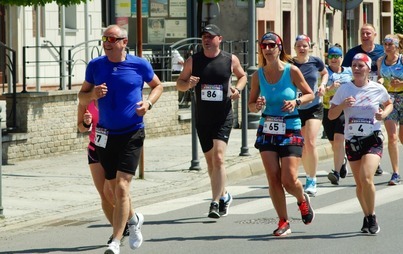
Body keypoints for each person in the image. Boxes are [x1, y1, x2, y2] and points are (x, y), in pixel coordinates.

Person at [78, 24, 163, 254]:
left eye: (112, 38)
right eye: (105, 38)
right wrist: (92, 95)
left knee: (123, 187)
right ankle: (134, 220)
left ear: (124, 42)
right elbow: (81, 95)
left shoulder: (139, 64)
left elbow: (158, 85)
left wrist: (148, 103)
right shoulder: (95, 66)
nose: (107, 42)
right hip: (105, 135)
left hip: (132, 132)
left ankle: (115, 241)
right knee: (113, 190)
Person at [176, 24, 247, 219]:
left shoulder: (229, 60)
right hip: (203, 118)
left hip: (223, 116)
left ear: (219, 39)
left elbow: (242, 76)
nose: (206, 40)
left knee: (218, 158)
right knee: (210, 162)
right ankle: (224, 195)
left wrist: (237, 90)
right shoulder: (193, 61)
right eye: (204, 37)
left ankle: (214, 203)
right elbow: (179, 84)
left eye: (210, 36)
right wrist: (187, 84)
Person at [248, 32, 315, 236]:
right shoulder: (257, 74)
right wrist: (257, 104)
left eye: (271, 45)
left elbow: (310, 94)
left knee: (289, 179)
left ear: (279, 48)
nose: (267, 49)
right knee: (273, 178)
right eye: (264, 46)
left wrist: (296, 102)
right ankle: (283, 221)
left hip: (290, 127)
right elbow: (250, 105)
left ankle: (302, 199)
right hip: (267, 127)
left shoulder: (291, 71)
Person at [328, 53, 393, 234]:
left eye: (360, 66)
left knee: (366, 177)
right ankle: (366, 215)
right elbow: (331, 115)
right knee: (359, 184)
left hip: (373, 138)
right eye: (354, 66)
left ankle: (372, 216)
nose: (356, 69)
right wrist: (342, 106)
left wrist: (384, 114)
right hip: (353, 140)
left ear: (368, 69)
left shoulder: (377, 88)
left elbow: (389, 104)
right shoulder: (344, 90)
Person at [342, 23, 385, 176]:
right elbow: (346, 73)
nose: (365, 36)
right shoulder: (353, 53)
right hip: (356, 92)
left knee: (375, 122)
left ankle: (374, 156)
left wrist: (382, 79)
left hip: (376, 91)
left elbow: (386, 67)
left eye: (368, 33)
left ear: (374, 34)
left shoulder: (381, 51)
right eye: (362, 33)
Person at [293, 34, 329, 196]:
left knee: (311, 142)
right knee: (303, 146)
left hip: (314, 106)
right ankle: (303, 175)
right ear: (295, 47)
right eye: (299, 46)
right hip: (296, 108)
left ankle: (312, 179)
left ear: (309, 47)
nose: (302, 48)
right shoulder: (290, 64)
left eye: (305, 46)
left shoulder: (316, 61)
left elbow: (325, 73)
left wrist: (322, 85)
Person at [323, 46, 353, 185]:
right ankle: (342, 161)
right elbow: (320, 92)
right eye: (331, 57)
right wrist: (330, 88)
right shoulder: (324, 72)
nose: (334, 59)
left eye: (337, 56)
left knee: (339, 138)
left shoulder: (349, 72)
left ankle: (335, 172)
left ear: (342, 58)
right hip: (327, 109)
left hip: (344, 110)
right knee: (333, 142)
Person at [376, 34, 403, 185]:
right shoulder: (381, 61)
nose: (387, 47)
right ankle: (395, 173)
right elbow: (380, 76)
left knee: (402, 138)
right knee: (392, 137)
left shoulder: (402, 60)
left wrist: (401, 83)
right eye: (385, 44)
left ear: (397, 46)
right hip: (388, 100)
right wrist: (379, 81)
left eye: (390, 44)